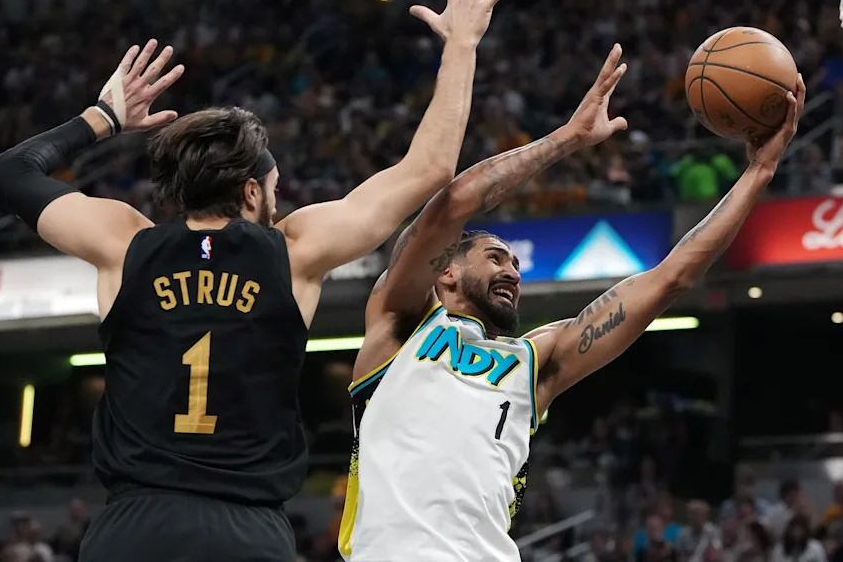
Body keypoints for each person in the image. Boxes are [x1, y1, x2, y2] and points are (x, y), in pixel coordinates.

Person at [0, 0, 514, 562]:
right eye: (277, 190)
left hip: (132, 528)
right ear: (253, 189)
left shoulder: (122, 241)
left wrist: (102, 117)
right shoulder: (294, 251)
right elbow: (431, 168)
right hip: (245, 529)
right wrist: (463, 43)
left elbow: (6, 175)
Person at [338, 51, 806, 562]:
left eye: (516, 263)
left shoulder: (535, 362)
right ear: (446, 272)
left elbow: (672, 277)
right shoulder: (401, 325)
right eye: (496, 257)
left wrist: (760, 172)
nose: (513, 272)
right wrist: (567, 139)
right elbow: (451, 205)